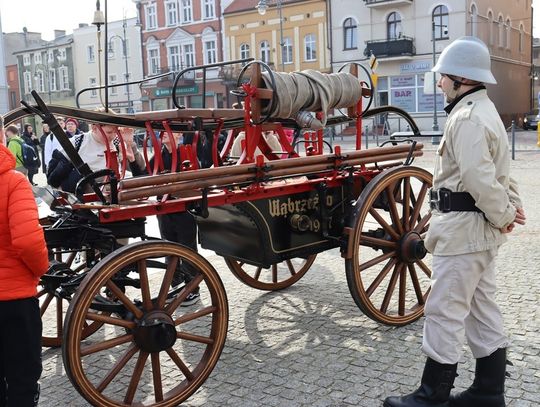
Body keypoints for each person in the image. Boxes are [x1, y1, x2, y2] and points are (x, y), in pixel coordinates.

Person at [384, 36, 526, 407]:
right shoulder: (484, 110)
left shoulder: (466, 118)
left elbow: (480, 180)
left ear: (460, 78)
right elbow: (501, 172)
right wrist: (509, 208)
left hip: (463, 233)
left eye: (443, 77)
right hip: (476, 233)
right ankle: (488, 391)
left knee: (444, 311)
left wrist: (507, 213)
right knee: (482, 310)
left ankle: (432, 396)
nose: (439, 82)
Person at [0, 114, 49, 406]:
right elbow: (29, 242)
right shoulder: (13, 182)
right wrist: (41, 269)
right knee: (21, 380)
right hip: (14, 301)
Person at [125, 130, 200, 306]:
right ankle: (176, 286)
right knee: (169, 249)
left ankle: (192, 289)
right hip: (165, 209)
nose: (163, 134)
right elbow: (145, 178)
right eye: (162, 132)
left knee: (187, 250)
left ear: (179, 136)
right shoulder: (161, 155)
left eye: (169, 131)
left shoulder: (186, 153)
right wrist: (132, 160)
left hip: (184, 209)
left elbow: (194, 180)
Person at [46, 122, 120, 192]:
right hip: (83, 194)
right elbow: (55, 170)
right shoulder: (78, 141)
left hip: (112, 189)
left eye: (116, 132)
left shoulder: (117, 142)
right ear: (94, 128)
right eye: (109, 132)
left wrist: (129, 146)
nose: (113, 136)